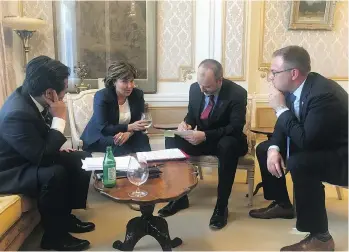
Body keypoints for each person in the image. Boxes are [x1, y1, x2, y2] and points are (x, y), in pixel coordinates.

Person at [248, 46, 348, 251]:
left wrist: (280, 108)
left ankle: (321, 238)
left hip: (342, 156)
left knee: (300, 163)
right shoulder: (294, 89)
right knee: (264, 148)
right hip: (318, 144)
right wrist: (274, 148)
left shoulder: (323, 95)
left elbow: (306, 141)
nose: (269, 77)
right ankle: (283, 204)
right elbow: (283, 126)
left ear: (293, 73)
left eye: (274, 72)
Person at [0, 56, 95, 250]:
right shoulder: (16, 113)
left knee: (80, 158)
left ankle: (65, 217)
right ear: (49, 93)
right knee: (54, 173)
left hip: (28, 155)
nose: (64, 96)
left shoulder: (32, 97)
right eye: (64, 91)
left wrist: (58, 148)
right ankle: (54, 236)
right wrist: (60, 118)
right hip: (10, 170)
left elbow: (39, 142)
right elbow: (43, 158)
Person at [157, 59, 248, 230]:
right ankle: (179, 197)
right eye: (199, 84)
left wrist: (205, 135)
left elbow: (235, 127)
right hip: (202, 137)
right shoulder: (195, 88)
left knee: (227, 146)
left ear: (219, 80)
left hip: (228, 139)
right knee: (170, 137)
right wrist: (186, 124)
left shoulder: (237, 93)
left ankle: (221, 207)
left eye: (206, 86)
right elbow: (192, 114)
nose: (201, 89)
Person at [81, 61, 151, 156]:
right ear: (114, 81)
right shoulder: (102, 96)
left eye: (131, 81)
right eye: (124, 81)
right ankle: (119, 170)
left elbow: (139, 123)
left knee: (142, 139)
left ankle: (148, 168)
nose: (130, 86)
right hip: (100, 136)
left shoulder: (137, 94)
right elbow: (104, 128)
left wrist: (128, 133)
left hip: (126, 134)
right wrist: (129, 127)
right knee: (119, 144)